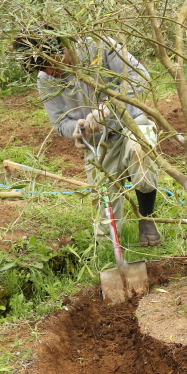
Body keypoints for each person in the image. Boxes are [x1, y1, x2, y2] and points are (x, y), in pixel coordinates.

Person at [14, 31, 161, 246]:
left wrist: (110, 108)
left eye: (50, 63)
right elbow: (60, 123)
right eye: (41, 68)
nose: (49, 71)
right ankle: (111, 252)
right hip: (98, 144)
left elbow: (140, 79)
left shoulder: (100, 48)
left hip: (130, 123)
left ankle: (146, 217)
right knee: (104, 232)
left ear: (63, 46)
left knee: (141, 152)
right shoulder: (45, 79)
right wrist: (78, 128)